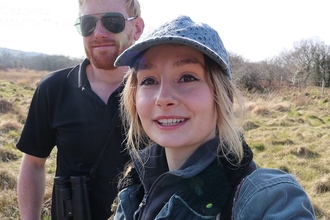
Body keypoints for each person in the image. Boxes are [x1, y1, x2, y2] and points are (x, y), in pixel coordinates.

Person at [111, 15, 316, 219]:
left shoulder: (268, 199)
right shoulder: (134, 186)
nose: (163, 99)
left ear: (221, 95)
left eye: (187, 77)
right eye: (149, 80)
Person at [16, 0, 144, 219]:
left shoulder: (156, 91)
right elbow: (33, 163)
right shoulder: (53, 89)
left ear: (137, 28)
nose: (99, 33)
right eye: (87, 24)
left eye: (112, 21)